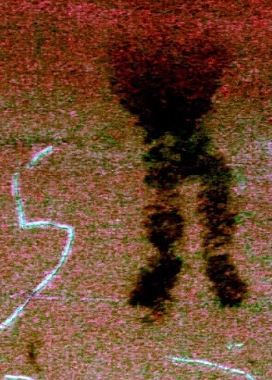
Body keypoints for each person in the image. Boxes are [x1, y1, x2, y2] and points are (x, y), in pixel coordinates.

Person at [106, 27, 249, 317]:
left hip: (169, 137)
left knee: (174, 179)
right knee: (193, 178)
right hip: (173, 137)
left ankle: (182, 256)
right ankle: (205, 255)